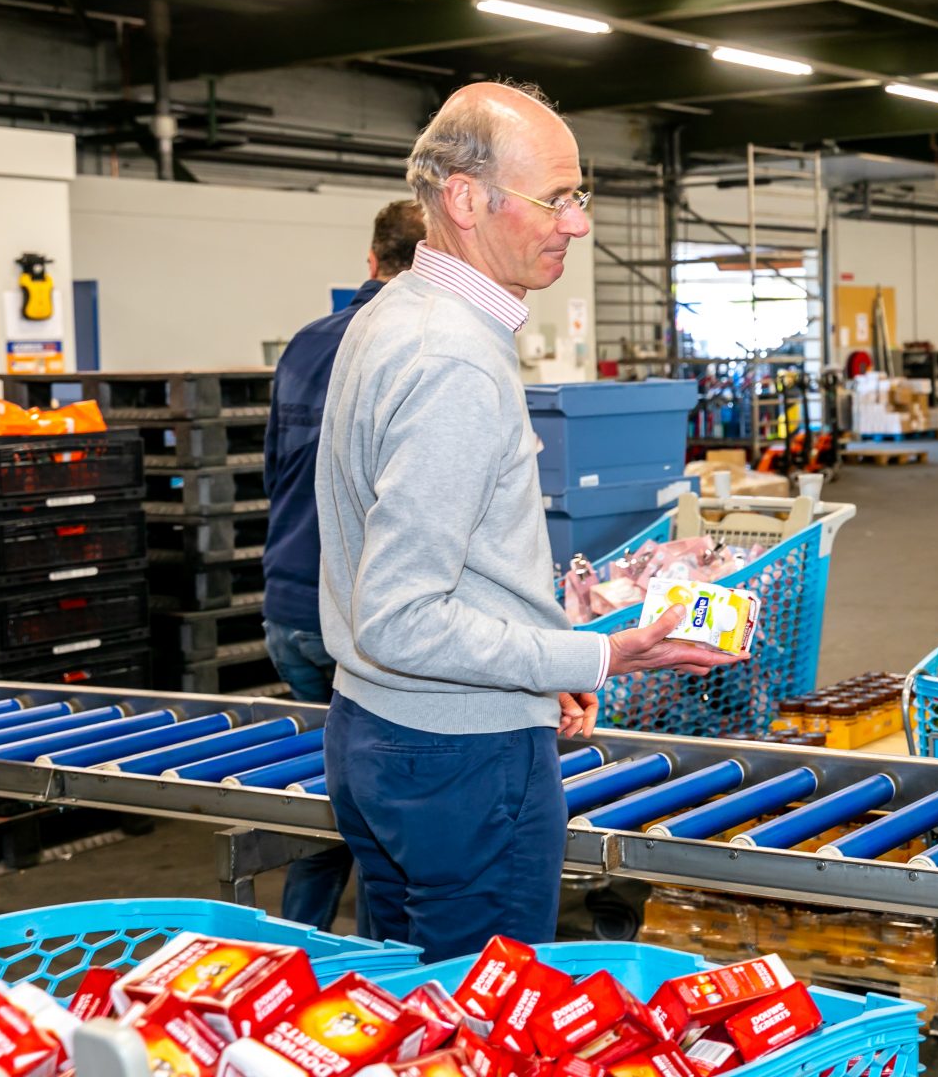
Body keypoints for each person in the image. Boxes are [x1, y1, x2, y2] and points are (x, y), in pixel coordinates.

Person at [315, 81, 739, 960]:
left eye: (577, 198)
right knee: (483, 1024)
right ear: (467, 199)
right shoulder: (456, 362)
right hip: (459, 762)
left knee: (410, 1013)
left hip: (377, 733)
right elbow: (400, 616)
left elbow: (425, 567)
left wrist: (537, 668)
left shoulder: (388, 317)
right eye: (557, 199)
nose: (576, 224)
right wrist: (602, 652)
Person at [261, 199, 427, 933]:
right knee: (388, 807)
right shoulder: (415, 343)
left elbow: (274, 470)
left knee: (324, 792)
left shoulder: (305, 342)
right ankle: (375, 972)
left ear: (370, 260)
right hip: (365, 623)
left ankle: (303, 940)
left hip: (287, 605)